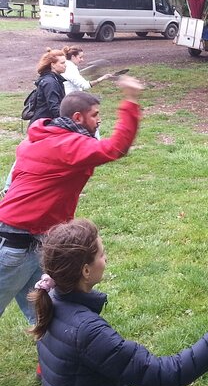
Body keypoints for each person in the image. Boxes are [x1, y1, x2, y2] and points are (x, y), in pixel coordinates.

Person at [28, 218, 208, 386]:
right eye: (102, 254)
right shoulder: (88, 332)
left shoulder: (52, 299)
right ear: (86, 271)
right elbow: (163, 374)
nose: (106, 258)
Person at [0, 76, 143, 324]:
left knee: (45, 306)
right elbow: (115, 148)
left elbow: (12, 182)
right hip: (18, 242)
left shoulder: (41, 138)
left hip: (40, 238)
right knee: (41, 303)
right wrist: (130, 100)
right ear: (77, 118)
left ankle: (61, 353)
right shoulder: (67, 145)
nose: (99, 120)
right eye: (95, 114)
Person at [3, 48, 67, 195]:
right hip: (42, 126)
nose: (65, 66)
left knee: (44, 156)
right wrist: (66, 122)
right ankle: (8, 187)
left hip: (45, 124)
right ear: (52, 64)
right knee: (26, 155)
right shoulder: (50, 82)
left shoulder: (53, 79)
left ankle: (50, 187)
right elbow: (54, 107)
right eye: (62, 63)